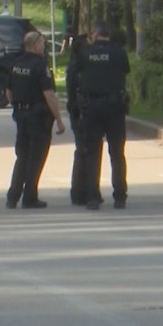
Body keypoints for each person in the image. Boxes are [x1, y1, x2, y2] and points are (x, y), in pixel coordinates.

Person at [5, 31, 66, 209]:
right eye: (42, 43)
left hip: (21, 115)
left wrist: (17, 106)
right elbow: (49, 95)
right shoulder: (40, 66)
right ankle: (30, 196)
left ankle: (13, 196)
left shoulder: (15, 64)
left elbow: (8, 92)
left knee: (22, 155)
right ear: (35, 45)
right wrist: (59, 120)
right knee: (36, 157)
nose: (44, 46)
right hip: (38, 117)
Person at [77, 21, 131, 210]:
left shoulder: (85, 53)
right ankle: (120, 196)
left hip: (92, 106)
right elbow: (125, 71)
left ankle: (92, 196)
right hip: (115, 106)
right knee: (117, 153)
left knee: (93, 152)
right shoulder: (118, 52)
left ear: (94, 34)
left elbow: (78, 73)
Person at [65, 32, 102, 206]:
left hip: (76, 111)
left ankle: (79, 191)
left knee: (82, 151)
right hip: (81, 112)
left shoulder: (74, 65)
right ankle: (83, 191)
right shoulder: (79, 68)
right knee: (86, 151)